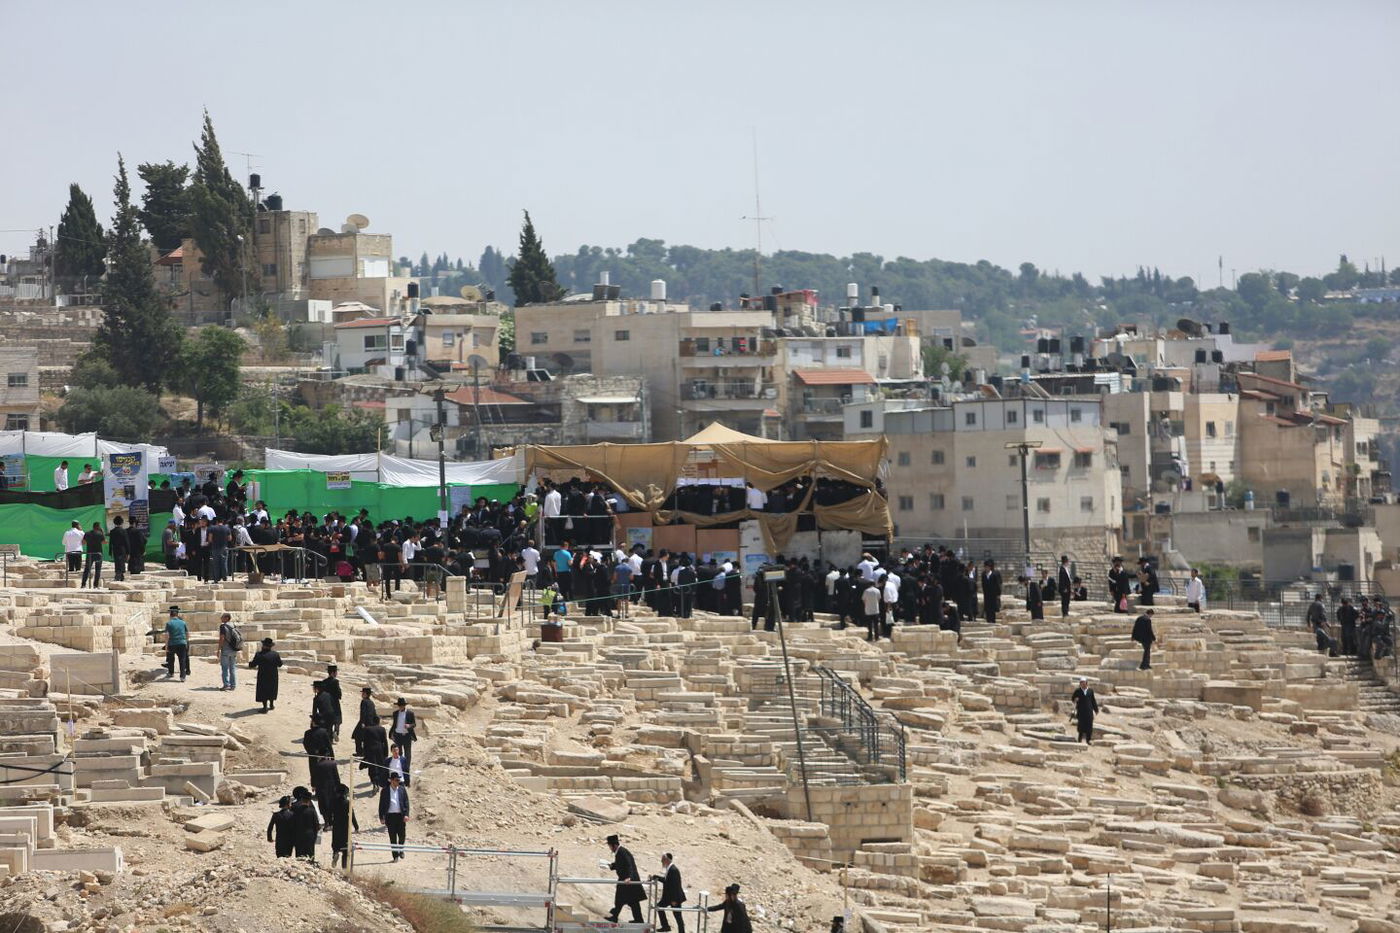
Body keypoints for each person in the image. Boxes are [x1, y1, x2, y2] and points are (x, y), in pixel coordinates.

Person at [604, 834, 646, 924]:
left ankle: (614, 916)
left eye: (610, 846)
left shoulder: (622, 852)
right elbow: (621, 864)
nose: (610, 848)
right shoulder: (620, 852)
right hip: (627, 880)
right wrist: (612, 865)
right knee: (633, 901)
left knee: (620, 899)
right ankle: (638, 919)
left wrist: (629, 877)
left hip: (628, 880)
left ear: (614, 845)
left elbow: (629, 865)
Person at [650, 852, 687, 933]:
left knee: (677, 916)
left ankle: (682, 931)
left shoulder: (673, 869)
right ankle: (665, 926)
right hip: (668, 897)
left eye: (662, 860)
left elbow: (675, 886)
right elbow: (666, 881)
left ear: (666, 860)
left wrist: (674, 900)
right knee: (659, 907)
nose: (661, 861)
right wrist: (656, 877)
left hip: (674, 898)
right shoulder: (669, 868)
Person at [379, 772, 409, 861]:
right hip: (390, 817)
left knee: (402, 835)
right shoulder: (385, 791)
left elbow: (406, 803)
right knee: (393, 837)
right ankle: (395, 856)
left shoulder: (402, 789)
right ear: (391, 780)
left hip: (400, 816)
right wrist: (381, 817)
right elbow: (381, 805)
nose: (398, 782)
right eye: (396, 780)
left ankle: (401, 850)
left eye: (399, 780)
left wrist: (406, 814)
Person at [249, 637, 283, 712]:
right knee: (272, 689)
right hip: (273, 675)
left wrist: (250, 663)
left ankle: (264, 707)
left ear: (264, 645)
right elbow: (280, 664)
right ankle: (271, 705)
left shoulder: (259, 655)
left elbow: (253, 665)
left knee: (263, 690)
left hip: (263, 675)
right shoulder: (275, 654)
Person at [329, 783, 357, 869]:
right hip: (345, 825)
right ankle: (344, 868)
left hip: (336, 824)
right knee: (345, 848)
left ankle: (335, 853)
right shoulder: (347, 802)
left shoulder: (333, 801)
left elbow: (329, 813)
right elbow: (352, 815)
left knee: (336, 843)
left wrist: (330, 823)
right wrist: (356, 826)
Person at [290, 786, 321, 861]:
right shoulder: (310, 807)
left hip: (298, 834)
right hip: (310, 834)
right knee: (310, 854)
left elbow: (292, 822)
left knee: (299, 855)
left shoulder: (293, 806)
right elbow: (317, 822)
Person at [390, 698, 416, 785]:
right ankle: (399, 775)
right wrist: (391, 734)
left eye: (402, 705)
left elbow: (414, 724)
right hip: (398, 736)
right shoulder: (395, 713)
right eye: (399, 705)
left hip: (407, 736)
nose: (400, 707)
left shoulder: (410, 713)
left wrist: (409, 725)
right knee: (399, 756)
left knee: (407, 756)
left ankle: (406, 776)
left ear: (405, 705)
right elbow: (394, 724)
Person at [164, 606, 190, 681]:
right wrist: (186, 641)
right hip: (182, 643)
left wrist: (166, 646)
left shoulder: (168, 623)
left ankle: (171, 672)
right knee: (182, 660)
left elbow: (166, 635)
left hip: (172, 643)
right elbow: (187, 633)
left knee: (171, 659)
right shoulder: (183, 622)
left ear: (170, 615)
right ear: (177, 614)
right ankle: (182, 676)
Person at [1071, 677, 1099, 744]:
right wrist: (1075, 699)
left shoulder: (1090, 691)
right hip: (1081, 711)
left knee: (1089, 726)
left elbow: (1093, 700)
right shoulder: (1077, 691)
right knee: (1081, 726)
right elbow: (1073, 698)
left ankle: (1088, 740)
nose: (1083, 684)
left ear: (1086, 683)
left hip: (1089, 711)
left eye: (1084, 683)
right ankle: (1079, 739)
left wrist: (1096, 709)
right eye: (1081, 683)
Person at [217, 613, 241, 691]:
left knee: (224, 668)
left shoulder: (223, 626)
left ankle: (226, 685)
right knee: (232, 668)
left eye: (222, 617)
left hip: (226, 650)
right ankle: (233, 685)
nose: (221, 618)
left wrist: (219, 649)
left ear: (227, 618)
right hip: (234, 649)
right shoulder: (233, 625)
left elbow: (222, 638)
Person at [323, 665, 344, 741]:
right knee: (337, 719)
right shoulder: (335, 682)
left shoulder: (324, 682)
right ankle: (336, 731)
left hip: (326, 703)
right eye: (336, 672)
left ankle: (330, 736)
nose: (336, 673)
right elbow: (338, 693)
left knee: (329, 720)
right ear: (333, 673)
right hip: (334, 703)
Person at [79, 522, 102, 587]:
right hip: (98, 553)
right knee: (98, 570)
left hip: (90, 553)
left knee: (87, 569)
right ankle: (95, 585)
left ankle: (83, 584)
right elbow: (103, 541)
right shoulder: (100, 534)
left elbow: (83, 542)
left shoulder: (87, 533)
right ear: (98, 527)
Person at [861, 577, 882, 642]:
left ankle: (870, 637)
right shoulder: (877, 590)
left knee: (869, 625)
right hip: (876, 610)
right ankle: (877, 637)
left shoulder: (866, 591)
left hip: (868, 610)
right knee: (876, 625)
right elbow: (879, 599)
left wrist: (866, 605)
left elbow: (863, 599)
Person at [109, 516, 130, 582]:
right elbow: (126, 542)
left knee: (117, 561)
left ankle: (119, 574)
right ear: (122, 522)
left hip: (115, 549)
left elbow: (111, 542)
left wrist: (110, 551)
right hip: (122, 549)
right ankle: (119, 574)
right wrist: (128, 552)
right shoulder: (123, 531)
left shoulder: (112, 531)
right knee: (122, 562)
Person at [982, 560, 1002, 624]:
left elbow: (997, 585)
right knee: (987, 608)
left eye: (987, 567)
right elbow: (983, 585)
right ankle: (988, 621)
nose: (986, 568)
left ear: (990, 567)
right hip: (987, 594)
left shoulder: (994, 574)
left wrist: (998, 593)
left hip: (993, 594)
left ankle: (993, 621)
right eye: (985, 567)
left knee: (992, 609)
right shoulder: (983, 575)